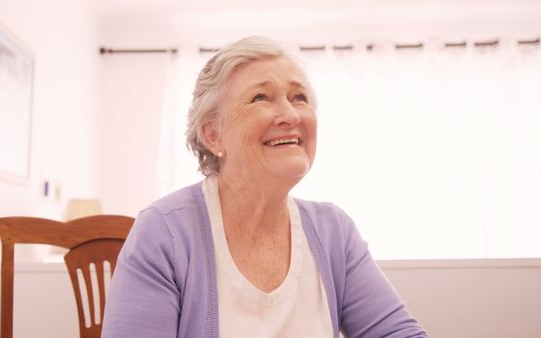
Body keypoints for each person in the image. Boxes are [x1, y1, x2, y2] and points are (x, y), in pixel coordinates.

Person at [101, 36, 428, 338]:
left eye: (299, 97)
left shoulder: (334, 232)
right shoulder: (165, 232)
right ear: (214, 134)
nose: (290, 114)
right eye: (261, 97)